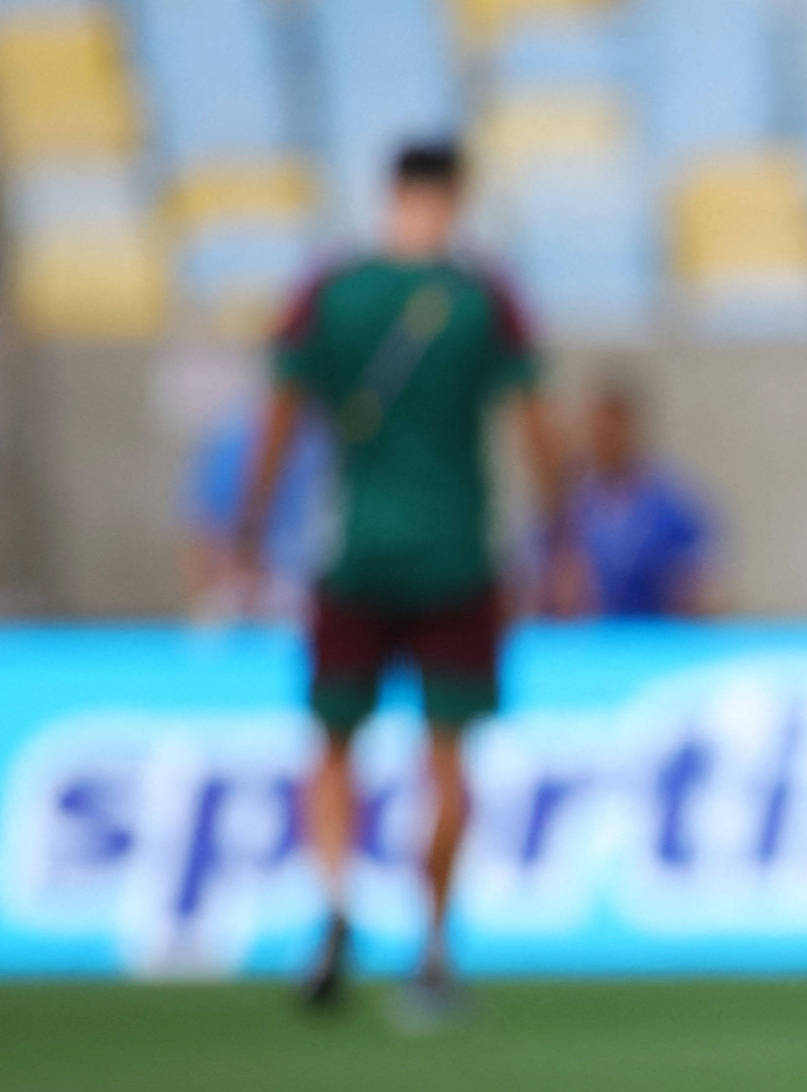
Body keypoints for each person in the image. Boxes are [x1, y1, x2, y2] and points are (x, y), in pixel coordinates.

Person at [231, 140, 569, 1015]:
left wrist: (249, 524)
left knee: (334, 744)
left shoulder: (329, 292)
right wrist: (562, 535)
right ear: (455, 197)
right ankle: (434, 945)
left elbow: (278, 416)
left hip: (351, 548)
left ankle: (336, 902)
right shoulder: (483, 298)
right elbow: (536, 426)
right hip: (457, 551)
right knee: (447, 754)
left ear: (389, 194)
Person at [561, 382, 714, 618]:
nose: (603, 440)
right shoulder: (575, 503)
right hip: (592, 638)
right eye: (597, 431)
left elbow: (696, 579)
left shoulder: (669, 505)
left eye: (612, 431)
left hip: (652, 637)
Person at [183, 400, 331, 622]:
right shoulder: (232, 438)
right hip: (241, 588)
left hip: (313, 589)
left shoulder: (329, 439)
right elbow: (200, 533)